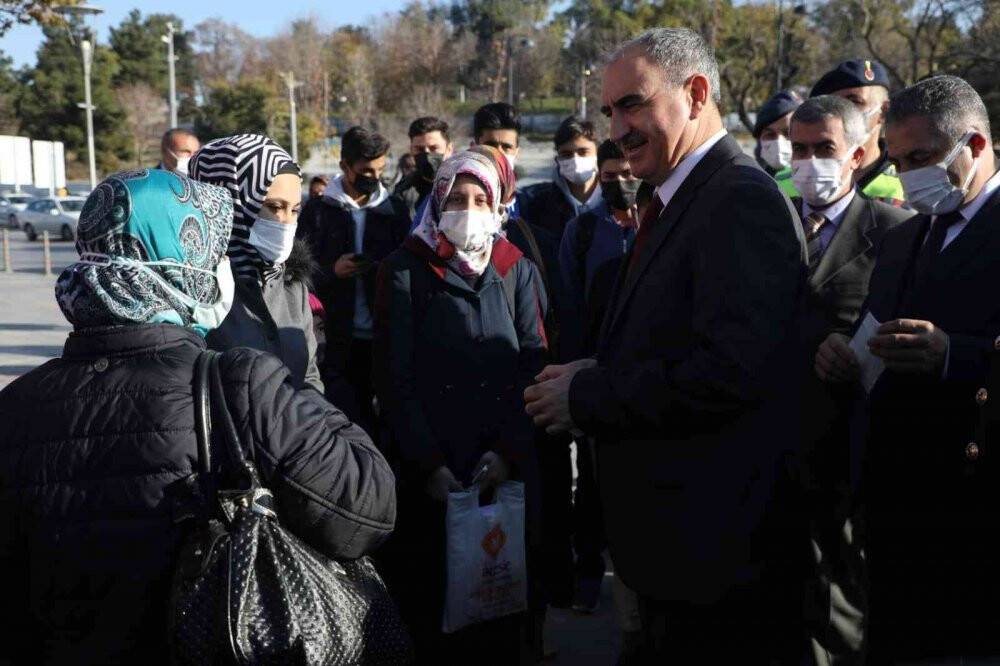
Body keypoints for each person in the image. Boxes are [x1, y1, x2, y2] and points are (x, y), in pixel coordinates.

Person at [0, 168, 396, 665]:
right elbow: (369, 506)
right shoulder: (239, 384)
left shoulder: (16, 406)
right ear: (186, 259)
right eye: (215, 253)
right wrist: (293, 383)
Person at [524, 28, 808, 662]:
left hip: (715, 561)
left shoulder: (738, 201)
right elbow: (678, 341)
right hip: (672, 556)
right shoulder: (677, 199)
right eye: (610, 111)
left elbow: (730, 373)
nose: (617, 128)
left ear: (697, 93)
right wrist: (597, 367)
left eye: (632, 105)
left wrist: (590, 393)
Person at [816, 75, 1000, 663]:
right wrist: (844, 351)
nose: (906, 175)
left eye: (920, 158)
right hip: (892, 512)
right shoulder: (906, 237)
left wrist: (956, 357)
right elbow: (877, 329)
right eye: (896, 160)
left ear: (972, 145)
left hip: (973, 519)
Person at [374, 148, 547, 664]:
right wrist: (428, 464)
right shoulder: (404, 269)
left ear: (497, 204)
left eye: (479, 198)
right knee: (436, 609)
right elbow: (393, 377)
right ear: (437, 199)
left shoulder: (515, 268)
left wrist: (508, 451)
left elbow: (534, 366)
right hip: (435, 468)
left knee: (503, 611)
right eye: (456, 198)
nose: (467, 209)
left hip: (504, 464)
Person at [786, 96, 912, 666]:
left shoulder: (897, 231)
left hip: (849, 461)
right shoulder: (769, 221)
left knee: (842, 614)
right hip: (770, 457)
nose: (810, 162)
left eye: (825, 149)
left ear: (860, 155)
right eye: (800, 149)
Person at [297, 126, 411, 431]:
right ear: (345, 166)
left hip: (385, 336)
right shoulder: (318, 212)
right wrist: (332, 270)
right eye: (365, 170)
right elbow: (299, 271)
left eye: (380, 170)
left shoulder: (395, 211)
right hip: (338, 341)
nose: (373, 178)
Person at [189, 134, 323, 393]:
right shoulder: (194, 291)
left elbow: (309, 377)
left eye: (294, 210)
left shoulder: (292, 284)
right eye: (274, 207)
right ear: (229, 202)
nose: (286, 222)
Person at [776, 60, 905, 206]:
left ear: (883, 111)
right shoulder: (782, 184)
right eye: (832, 104)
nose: (842, 113)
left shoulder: (907, 183)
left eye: (854, 102)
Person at [559, 138, 639, 363]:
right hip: (596, 353)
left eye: (627, 174)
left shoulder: (659, 224)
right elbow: (570, 299)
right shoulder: (581, 229)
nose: (620, 182)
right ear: (599, 177)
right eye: (610, 176)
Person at [395, 116, 454, 219]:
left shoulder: (462, 187)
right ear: (411, 150)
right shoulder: (404, 191)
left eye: (434, 148)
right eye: (420, 149)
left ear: (449, 149)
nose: (427, 155)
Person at [753, 89, 803, 190]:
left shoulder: (814, 185)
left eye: (788, 133)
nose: (778, 142)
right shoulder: (752, 183)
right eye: (770, 134)